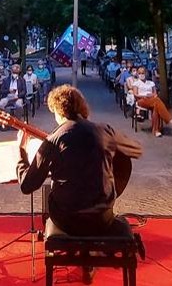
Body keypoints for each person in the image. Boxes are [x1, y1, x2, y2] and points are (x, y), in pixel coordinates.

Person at [16, 85, 143, 282]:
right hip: (103, 218)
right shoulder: (105, 130)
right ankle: (89, 260)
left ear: (58, 111)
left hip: (67, 220)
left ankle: (78, 254)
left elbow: (27, 185)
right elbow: (135, 150)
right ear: (82, 108)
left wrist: (21, 152)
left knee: (54, 194)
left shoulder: (52, 140)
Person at [132, 66, 172, 137]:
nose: (141, 74)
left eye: (143, 73)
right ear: (138, 74)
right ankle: (168, 119)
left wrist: (151, 95)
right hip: (141, 100)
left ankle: (156, 131)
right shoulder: (136, 83)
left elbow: (155, 93)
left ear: (146, 73)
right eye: (140, 73)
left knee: (156, 106)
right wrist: (144, 96)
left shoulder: (151, 83)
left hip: (152, 100)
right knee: (157, 101)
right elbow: (135, 94)